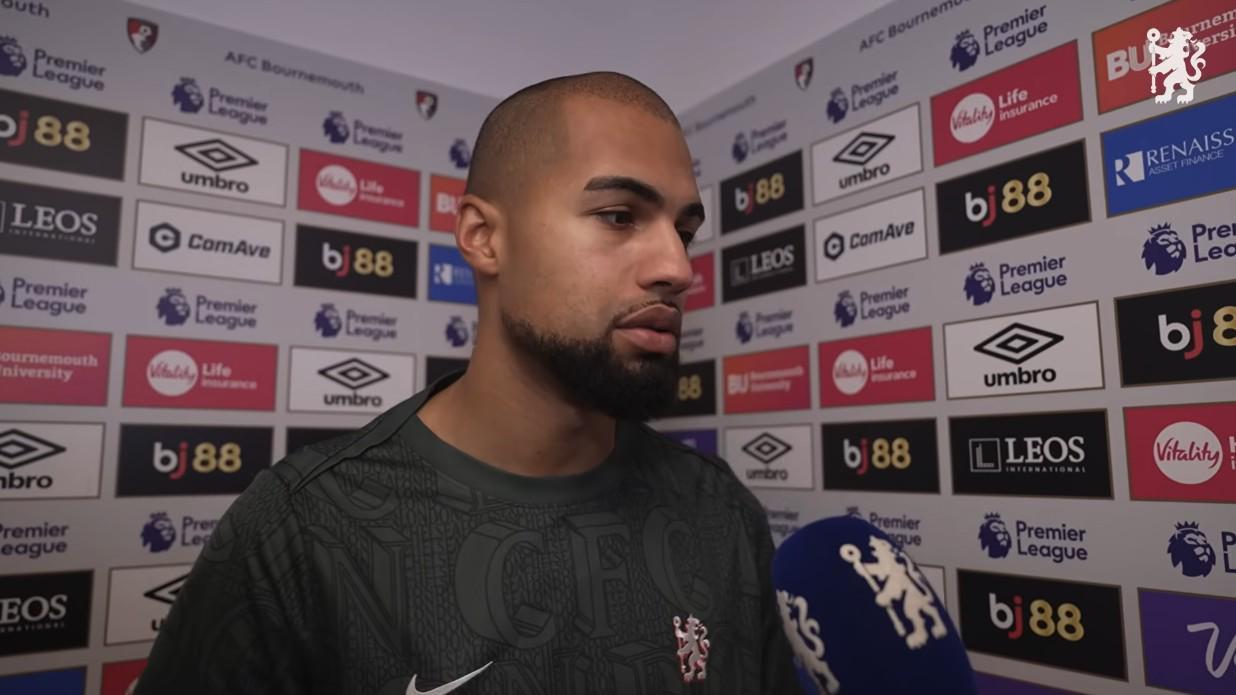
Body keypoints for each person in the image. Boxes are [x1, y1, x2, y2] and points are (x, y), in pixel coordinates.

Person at [135, 71, 801, 695]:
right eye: (619, 215)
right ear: (483, 237)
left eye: (684, 231)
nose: (678, 268)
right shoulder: (300, 529)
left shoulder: (721, 513)